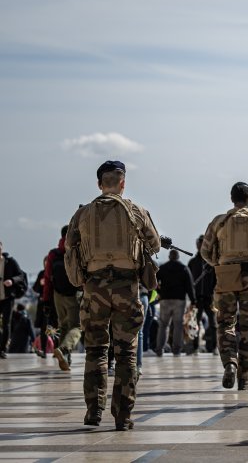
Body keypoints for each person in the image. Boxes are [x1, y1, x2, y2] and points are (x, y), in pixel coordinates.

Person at [64, 160, 161, 430]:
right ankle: (123, 414)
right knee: (127, 353)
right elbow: (153, 245)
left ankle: (94, 410)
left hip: (93, 288)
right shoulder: (136, 211)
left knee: (95, 350)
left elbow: (70, 246)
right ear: (122, 183)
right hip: (126, 288)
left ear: (99, 184)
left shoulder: (82, 214)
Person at [201, 182, 248, 391]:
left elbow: (205, 251)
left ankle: (229, 362)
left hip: (226, 276)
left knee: (225, 324)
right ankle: (244, 377)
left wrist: (219, 264)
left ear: (232, 199)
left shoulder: (219, 221)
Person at [48, 226, 82, 371]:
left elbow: (47, 277)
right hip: (73, 294)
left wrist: (46, 299)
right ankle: (64, 349)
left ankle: (65, 360)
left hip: (57, 294)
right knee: (77, 326)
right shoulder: (77, 250)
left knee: (63, 325)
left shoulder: (53, 254)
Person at [154, 250, 195, 356]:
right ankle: (176, 350)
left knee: (163, 325)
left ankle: (159, 349)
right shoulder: (184, 268)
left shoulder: (162, 268)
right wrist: (193, 300)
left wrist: (160, 292)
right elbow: (190, 286)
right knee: (178, 325)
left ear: (169, 256)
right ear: (178, 257)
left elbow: (154, 282)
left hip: (165, 300)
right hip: (179, 300)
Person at [188, 235, 217, 354]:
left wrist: (213, 294)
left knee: (214, 324)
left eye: (202, 243)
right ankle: (195, 348)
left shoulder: (212, 262)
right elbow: (188, 282)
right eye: (198, 243)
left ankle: (215, 347)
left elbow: (216, 279)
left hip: (210, 298)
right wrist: (191, 297)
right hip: (197, 299)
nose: (200, 246)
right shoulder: (192, 262)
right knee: (195, 324)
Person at [1, 240, 28, 358]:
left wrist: (11, 280)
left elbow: (21, 275)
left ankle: (2, 349)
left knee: (6, 323)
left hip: (7, 298)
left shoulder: (10, 262)